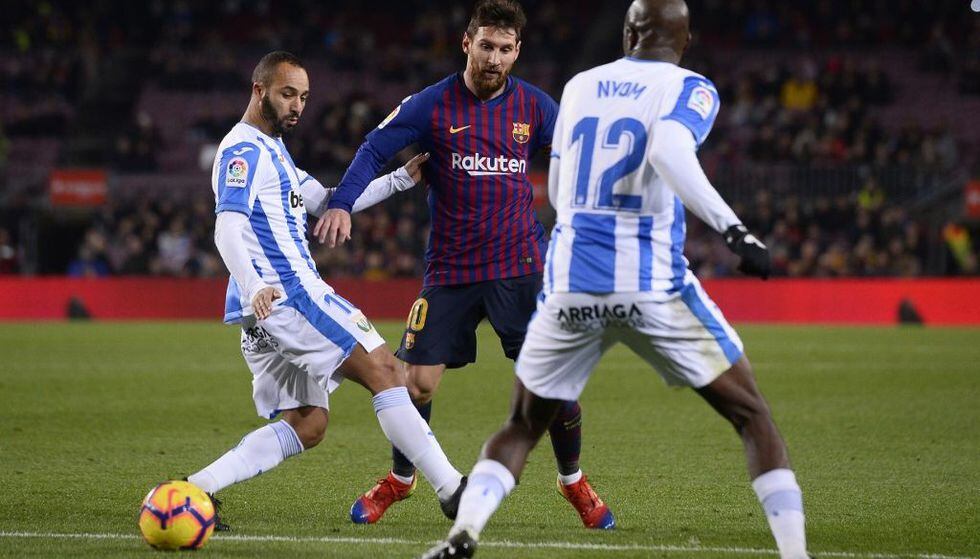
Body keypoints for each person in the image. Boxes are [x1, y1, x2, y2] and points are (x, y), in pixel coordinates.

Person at [421, 0, 811, 557]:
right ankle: (795, 553)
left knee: (522, 425)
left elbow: (559, 193)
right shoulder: (690, 87)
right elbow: (670, 149)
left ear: (629, 32)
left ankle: (463, 534)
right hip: (650, 282)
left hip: (570, 282)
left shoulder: (580, 86)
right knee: (751, 414)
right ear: (686, 40)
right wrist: (736, 231)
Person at [315, 0, 614, 529]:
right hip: (451, 271)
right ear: (466, 43)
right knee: (415, 384)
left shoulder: (536, 107)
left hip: (521, 267)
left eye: (505, 49)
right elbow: (374, 147)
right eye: (486, 46)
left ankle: (573, 481)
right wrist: (341, 202)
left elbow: (580, 160)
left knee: (556, 382)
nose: (494, 58)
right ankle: (401, 479)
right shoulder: (430, 105)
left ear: (517, 51)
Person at [186, 51, 466, 530]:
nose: (297, 106)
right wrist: (256, 285)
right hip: (289, 295)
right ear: (259, 91)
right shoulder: (244, 151)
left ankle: (195, 491)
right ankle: (454, 491)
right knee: (385, 369)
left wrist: (400, 180)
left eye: (304, 97)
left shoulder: (275, 153)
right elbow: (227, 225)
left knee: (307, 422)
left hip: (264, 311)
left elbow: (330, 202)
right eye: (287, 94)